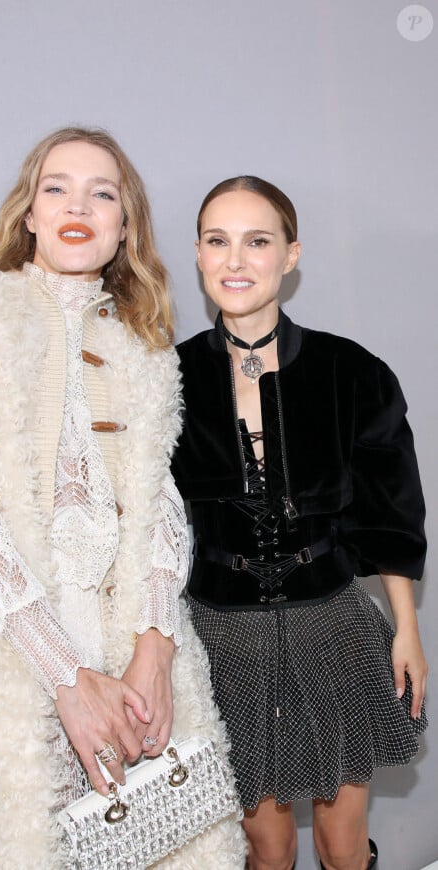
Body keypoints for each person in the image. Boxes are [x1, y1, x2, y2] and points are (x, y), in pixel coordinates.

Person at [0, 128, 245, 869]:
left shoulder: (144, 348)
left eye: (102, 193)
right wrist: (68, 676)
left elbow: (160, 506)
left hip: (137, 647)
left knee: (168, 849)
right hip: (9, 653)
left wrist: (154, 648)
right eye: (58, 188)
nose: (79, 205)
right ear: (31, 214)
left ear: (124, 226)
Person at [171, 175, 428, 870]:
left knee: (344, 845)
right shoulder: (167, 377)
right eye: (218, 241)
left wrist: (406, 628)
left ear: (291, 255)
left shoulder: (353, 372)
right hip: (224, 642)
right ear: (198, 254)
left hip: (334, 628)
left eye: (258, 241)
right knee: (267, 846)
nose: (236, 260)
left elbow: (391, 512)